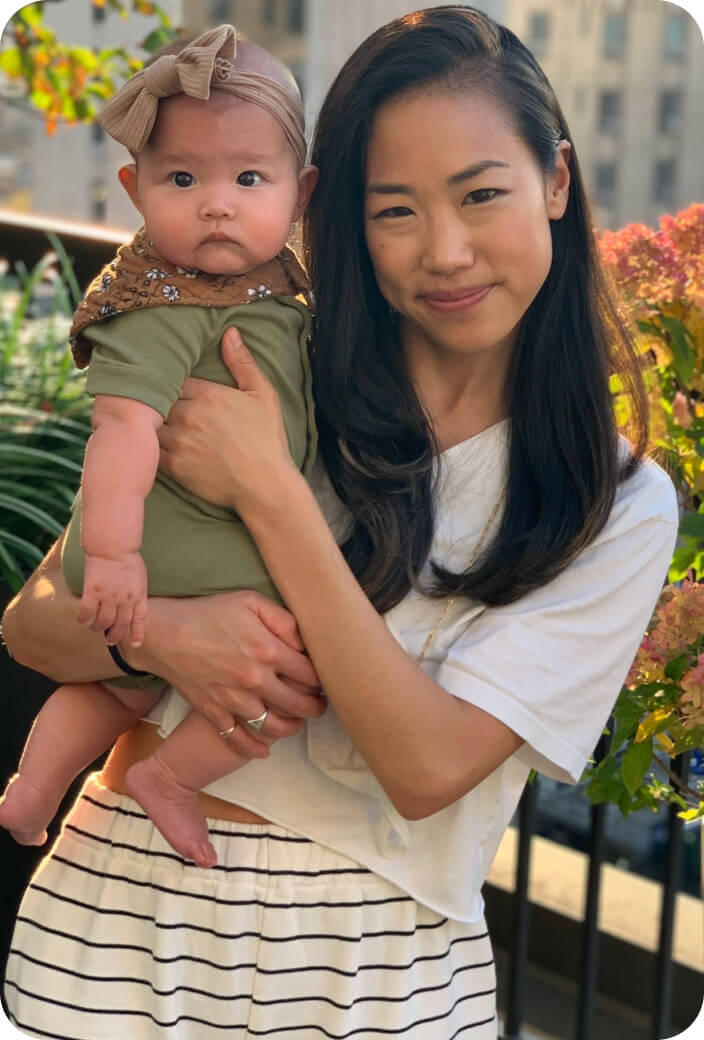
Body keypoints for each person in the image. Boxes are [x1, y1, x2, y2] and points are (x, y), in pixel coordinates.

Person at [2, 6, 678, 1038]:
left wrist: (270, 493)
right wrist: (169, 632)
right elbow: (36, 618)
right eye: (393, 209)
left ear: (554, 181)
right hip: (114, 918)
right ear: (342, 217)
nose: (443, 251)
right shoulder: (270, 355)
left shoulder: (612, 501)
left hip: (373, 973)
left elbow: (423, 767)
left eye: (480, 194)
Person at [0, 24, 319, 870]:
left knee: (113, 687)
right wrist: (111, 555)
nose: (217, 201)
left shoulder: (275, 293)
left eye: (249, 178)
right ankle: (171, 780)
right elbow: (123, 429)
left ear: (300, 190)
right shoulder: (164, 303)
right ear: (136, 190)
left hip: (185, 547)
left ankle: (32, 792)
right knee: (298, 670)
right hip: (160, 552)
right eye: (184, 178)